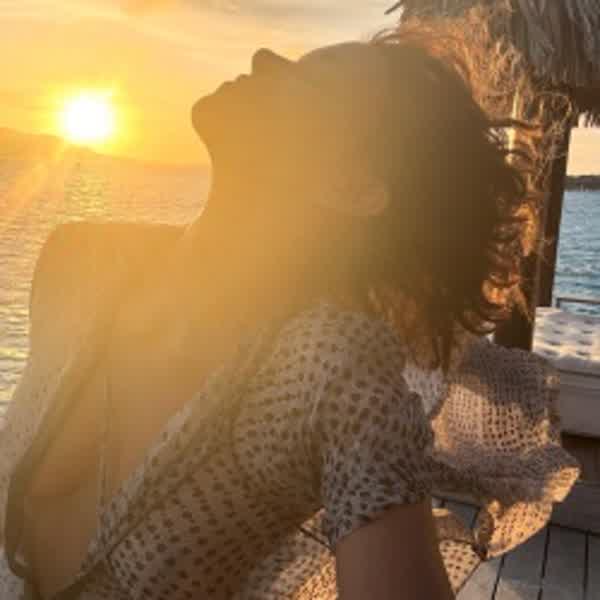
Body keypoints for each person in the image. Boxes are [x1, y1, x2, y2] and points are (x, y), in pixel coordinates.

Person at [0, 13, 580, 600]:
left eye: (312, 82)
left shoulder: (329, 370)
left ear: (353, 187)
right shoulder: (80, 261)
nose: (262, 59)